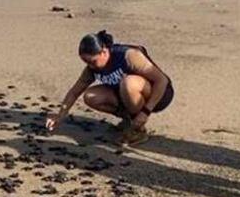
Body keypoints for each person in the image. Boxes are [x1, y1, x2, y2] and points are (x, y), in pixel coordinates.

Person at [45, 30, 174, 145]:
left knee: (128, 83)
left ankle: (138, 130)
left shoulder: (128, 55)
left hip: (158, 95)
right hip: (127, 95)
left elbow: (162, 81)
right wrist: (60, 115)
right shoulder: (92, 68)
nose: (91, 66)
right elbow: (74, 92)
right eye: (86, 62)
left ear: (104, 51)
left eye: (93, 61)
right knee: (90, 96)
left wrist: (145, 112)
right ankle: (129, 120)